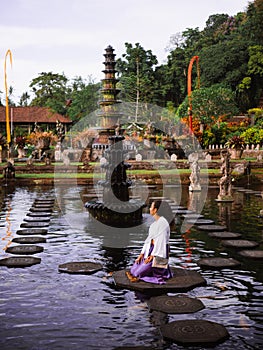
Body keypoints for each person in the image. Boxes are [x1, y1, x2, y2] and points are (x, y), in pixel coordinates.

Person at [126, 200, 173, 284]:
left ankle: (150, 276)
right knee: (133, 270)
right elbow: (148, 240)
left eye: (151, 207)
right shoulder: (155, 224)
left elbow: (161, 242)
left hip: (158, 253)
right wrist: (141, 254)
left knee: (137, 273)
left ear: (155, 210)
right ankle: (146, 273)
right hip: (151, 250)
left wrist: (153, 255)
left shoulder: (163, 223)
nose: (150, 209)